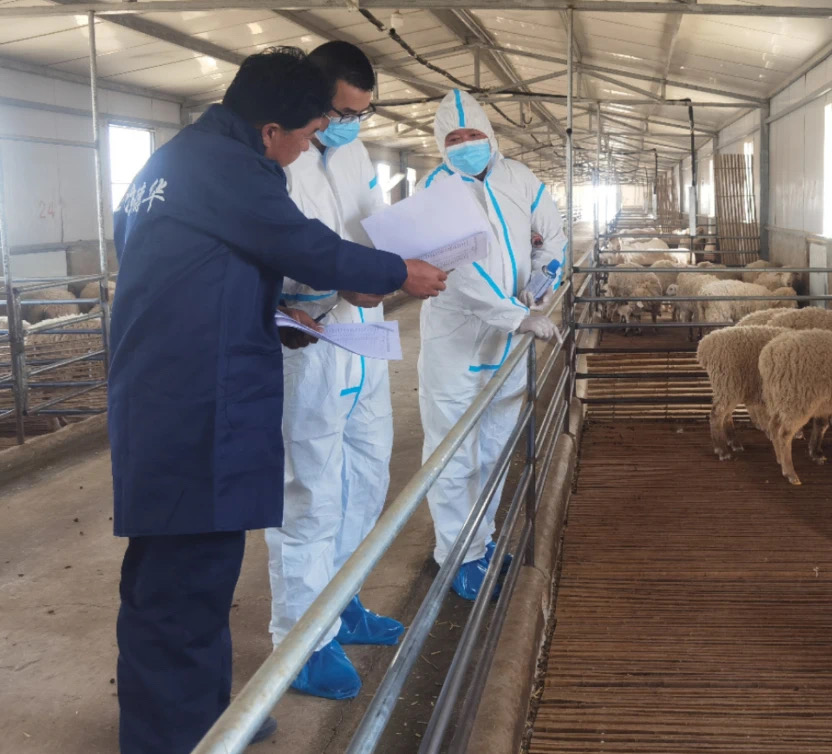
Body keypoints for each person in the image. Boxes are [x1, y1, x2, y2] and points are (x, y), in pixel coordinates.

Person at [110, 47, 447, 754]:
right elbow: (305, 245)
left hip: (173, 390)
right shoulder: (229, 167)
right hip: (193, 404)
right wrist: (398, 272)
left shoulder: (173, 162)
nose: (304, 150)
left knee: (192, 577)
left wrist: (263, 310)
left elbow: (190, 270)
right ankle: (173, 739)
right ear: (270, 130)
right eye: (307, 134)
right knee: (178, 585)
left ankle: (208, 717)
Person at [263, 41, 406, 701]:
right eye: (342, 112)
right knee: (310, 494)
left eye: (360, 114)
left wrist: (402, 255)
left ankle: (341, 601)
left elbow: (371, 226)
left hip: (363, 331)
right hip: (307, 343)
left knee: (368, 474)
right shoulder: (275, 157)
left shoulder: (353, 153)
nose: (349, 125)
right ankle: (301, 642)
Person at [418, 89, 567, 601]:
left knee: (495, 446)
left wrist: (545, 276)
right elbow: (458, 271)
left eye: (473, 134)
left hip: (508, 337)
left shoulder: (518, 177)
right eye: (454, 138)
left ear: (490, 135)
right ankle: (454, 556)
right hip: (457, 341)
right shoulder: (434, 190)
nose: (466, 145)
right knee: (454, 450)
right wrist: (517, 315)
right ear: (441, 144)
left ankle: (479, 543)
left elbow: (553, 233)